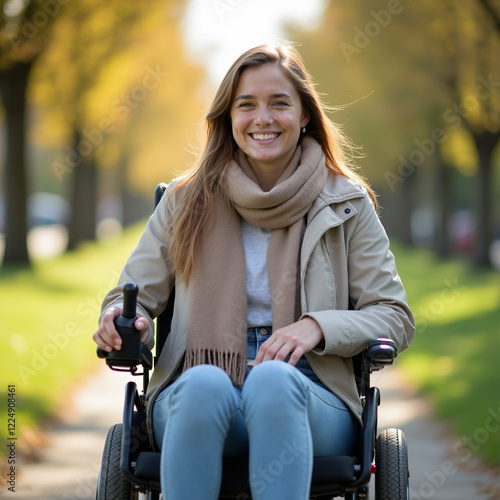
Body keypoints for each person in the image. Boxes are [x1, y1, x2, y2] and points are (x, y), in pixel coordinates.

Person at [93, 42, 415, 500]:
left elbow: (394, 316)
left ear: (304, 113)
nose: (262, 118)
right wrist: (125, 321)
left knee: (273, 381)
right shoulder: (185, 200)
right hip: (197, 388)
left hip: (312, 388)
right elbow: (133, 297)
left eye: (279, 103)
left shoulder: (346, 202)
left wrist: (316, 326)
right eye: (247, 105)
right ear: (229, 116)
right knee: (204, 382)